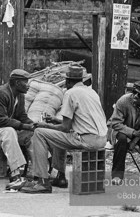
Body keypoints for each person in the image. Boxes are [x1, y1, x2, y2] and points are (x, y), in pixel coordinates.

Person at [20, 64, 107, 193]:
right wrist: (55, 121)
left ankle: (42, 182)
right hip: (101, 139)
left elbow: (65, 128)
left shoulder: (70, 93)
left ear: (68, 81)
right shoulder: (91, 92)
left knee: (39, 133)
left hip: (87, 140)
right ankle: (61, 177)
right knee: (59, 136)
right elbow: (82, 121)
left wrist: (44, 125)